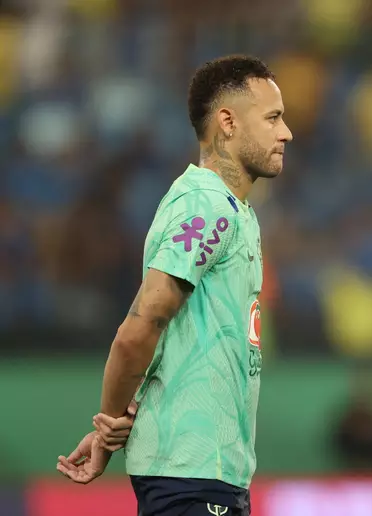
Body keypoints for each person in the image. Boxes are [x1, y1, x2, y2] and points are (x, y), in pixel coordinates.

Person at [56, 55, 293, 516]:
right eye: (273, 118)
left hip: (212, 475)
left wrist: (123, 414)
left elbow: (170, 335)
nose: (286, 132)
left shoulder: (235, 210)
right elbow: (140, 328)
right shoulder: (205, 205)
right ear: (228, 122)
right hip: (192, 477)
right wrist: (108, 425)